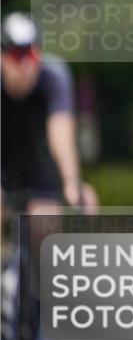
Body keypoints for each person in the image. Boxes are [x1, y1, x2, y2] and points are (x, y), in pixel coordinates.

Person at [1, 12, 98, 213]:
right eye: (18, 56)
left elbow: (60, 136)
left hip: (39, 163)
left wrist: (73, 183)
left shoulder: (53, 76)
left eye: (32, 55)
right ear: (3, 57)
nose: (26, 65)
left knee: (46, 221)